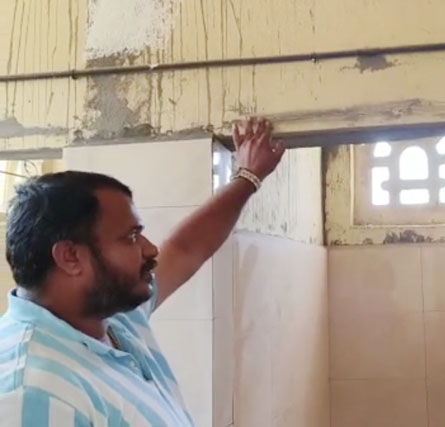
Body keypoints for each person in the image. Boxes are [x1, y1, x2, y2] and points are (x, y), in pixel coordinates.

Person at [0, 118, 284, 426]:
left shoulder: (114, 317)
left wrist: (248, 176)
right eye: (131, 237)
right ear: (70, 257)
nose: (151, 249)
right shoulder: (31, 393)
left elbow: (185, 249)